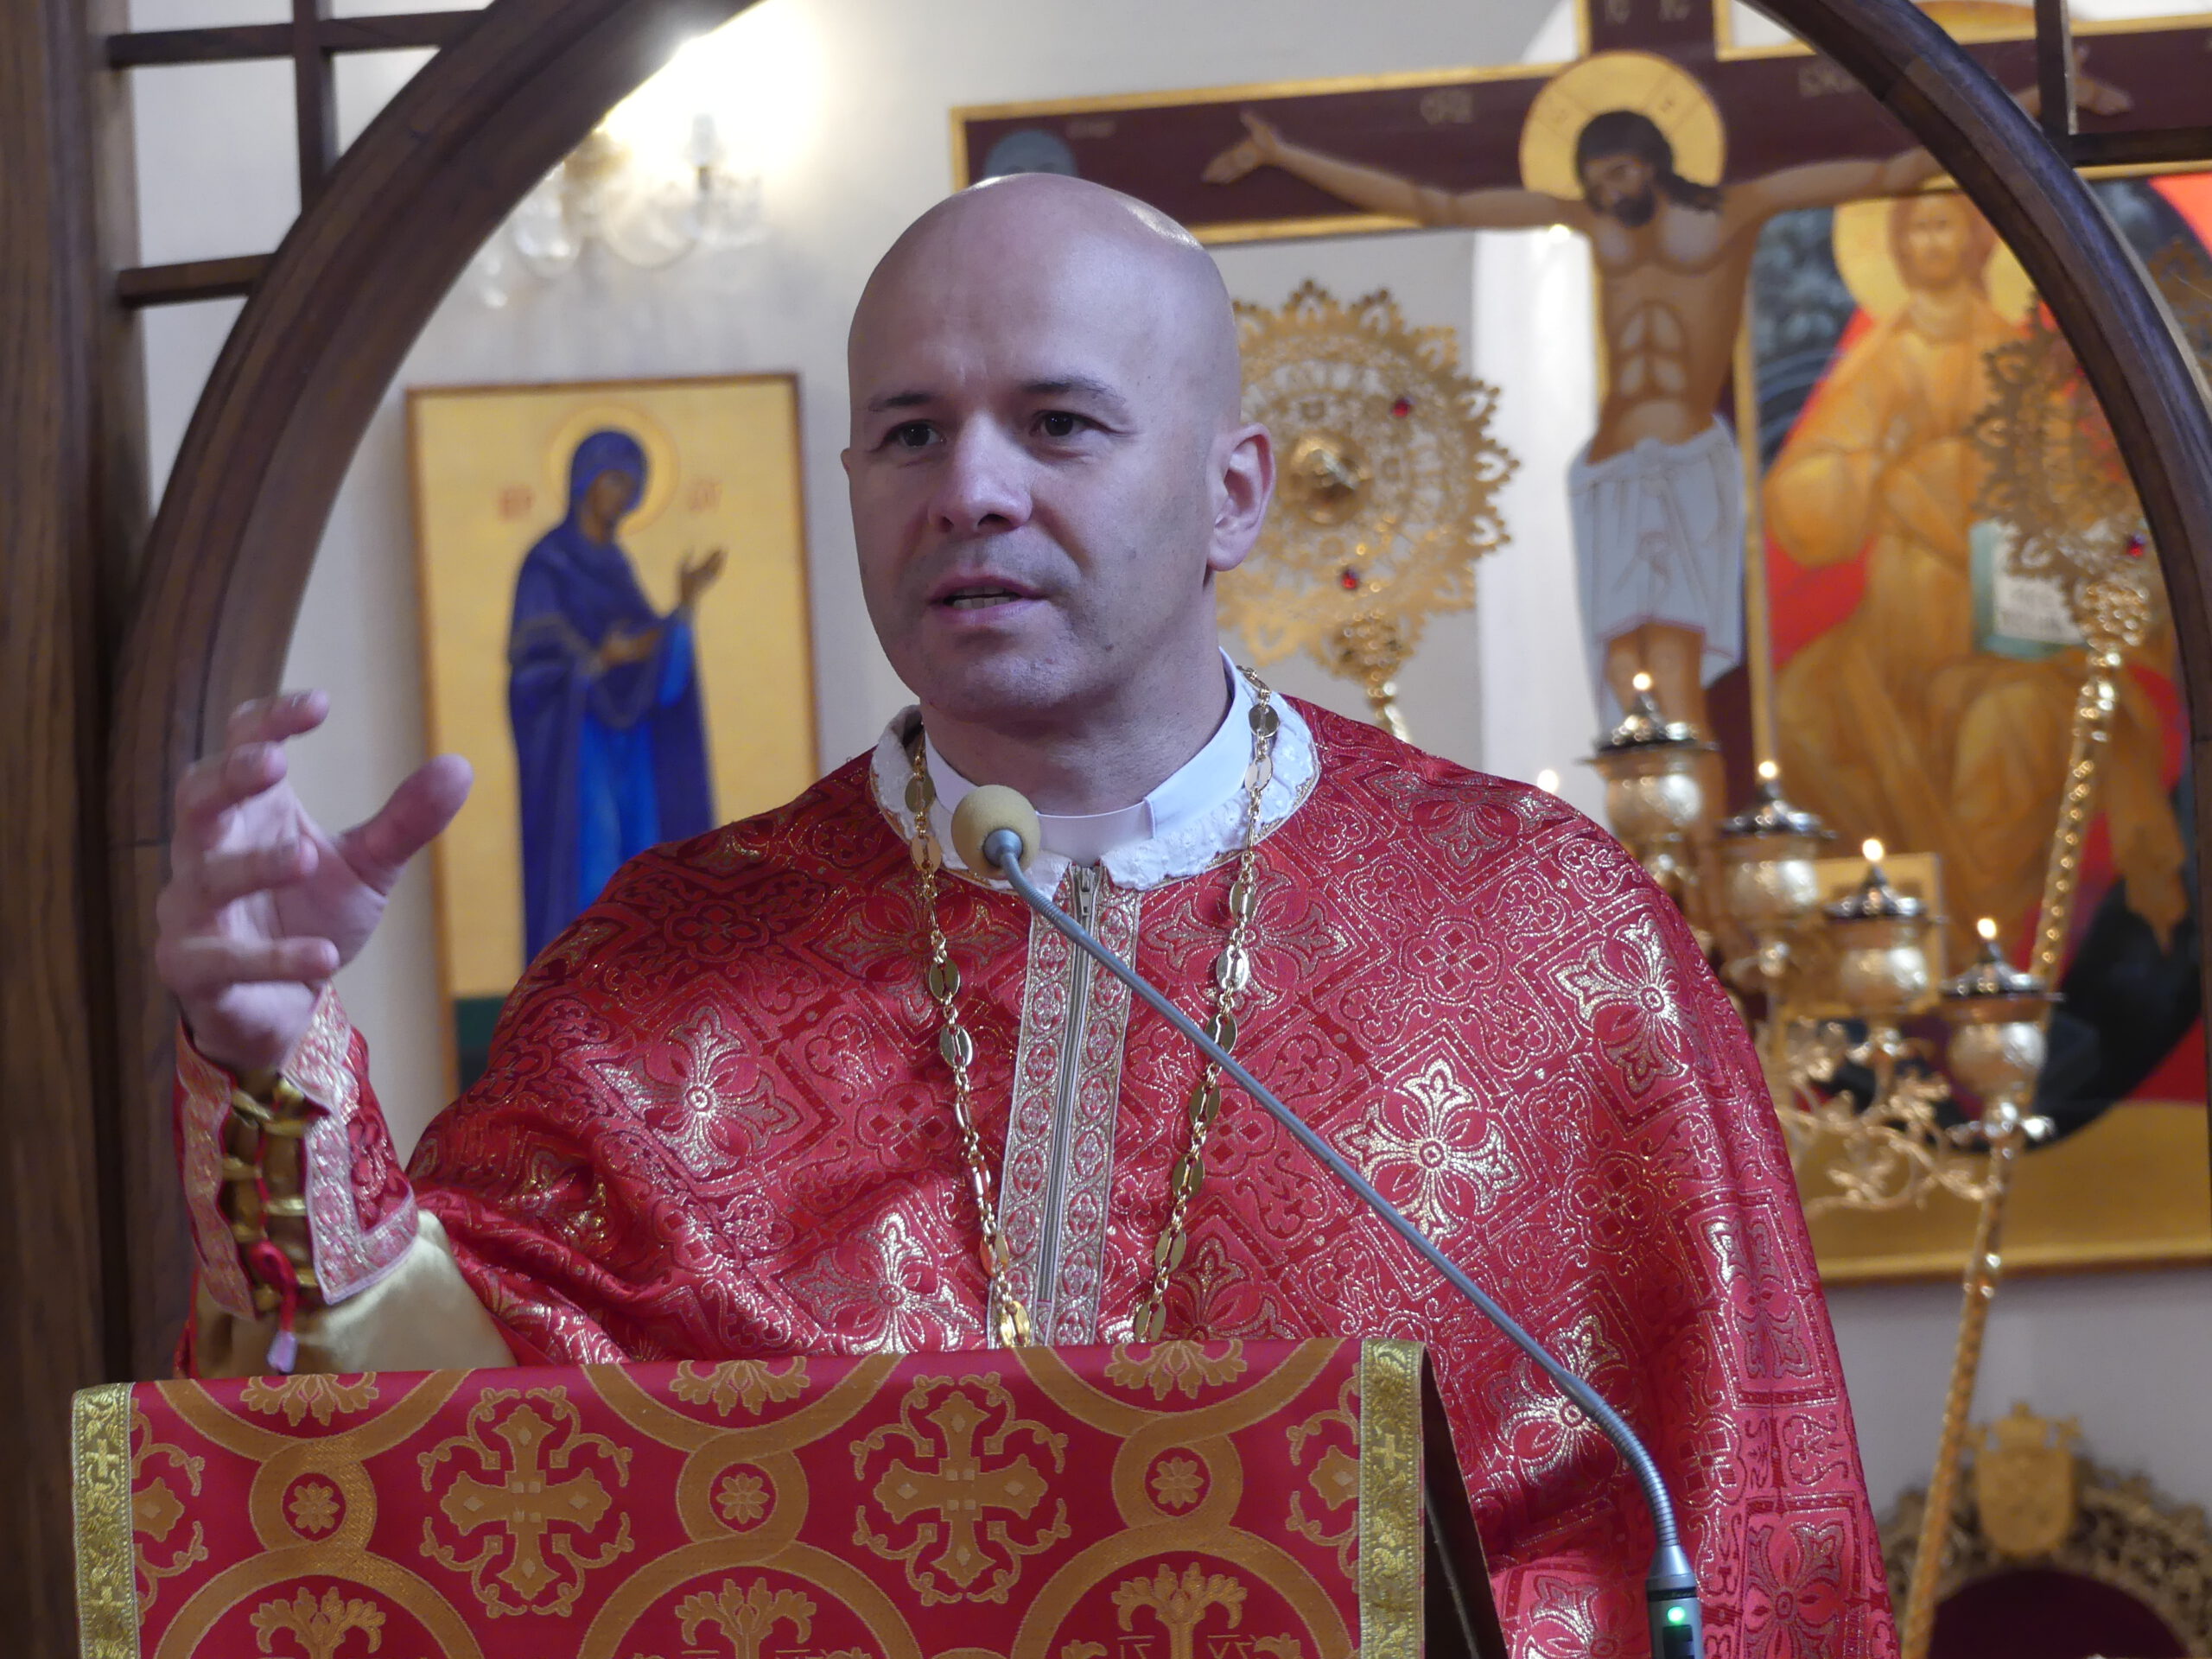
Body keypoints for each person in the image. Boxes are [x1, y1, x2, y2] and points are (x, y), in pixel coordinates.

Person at [154, 175, 1891, 1654]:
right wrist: (268, 1065)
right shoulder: (658, 974)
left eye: (1057, 423)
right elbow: (442, 1462)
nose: (971, 489)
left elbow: (1749, 1534)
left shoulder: (1547, 939)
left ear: (1232, 492)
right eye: (911, 432)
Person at [1202, 87, 2103, 740]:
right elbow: (1437, 203)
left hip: (1685, 461)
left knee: (1673, 667)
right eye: (1596, 178)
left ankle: (1695, 878)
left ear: (1657, 161)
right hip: (1609, 470)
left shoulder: (1737, 210)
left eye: (1622, 172)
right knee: (1618, 676)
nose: (1609, 190)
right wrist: (1287, 156)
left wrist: (2016, 106)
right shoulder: (1594, 224)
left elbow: (1884, 171)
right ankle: (1655, 868)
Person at [1766, 193, 2184, 957]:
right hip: (1890, 640)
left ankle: (1987, 954)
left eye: (1945, 226)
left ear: (1979, 243)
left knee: (2005, 737)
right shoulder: (1884, 359)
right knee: (1799, 712)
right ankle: (1887, 954)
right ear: (1895, 248)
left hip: (2012, 649)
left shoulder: (2016, 363)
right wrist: (1872, 467)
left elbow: (2081, 505)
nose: (1931, 242)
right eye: (1918, 228)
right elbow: (1802, 497)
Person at [509, 429, 725, 960]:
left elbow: (651, 653)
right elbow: (530, 668)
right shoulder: (548, 563)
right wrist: (595, 663)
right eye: (615, 481)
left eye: (633, 486)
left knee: (639, 861)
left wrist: (685, 607)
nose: (624, 496)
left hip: (632, 746)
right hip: (579, 749)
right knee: (594, 856)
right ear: (585, 481)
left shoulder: (616, 566)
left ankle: (642, 974)